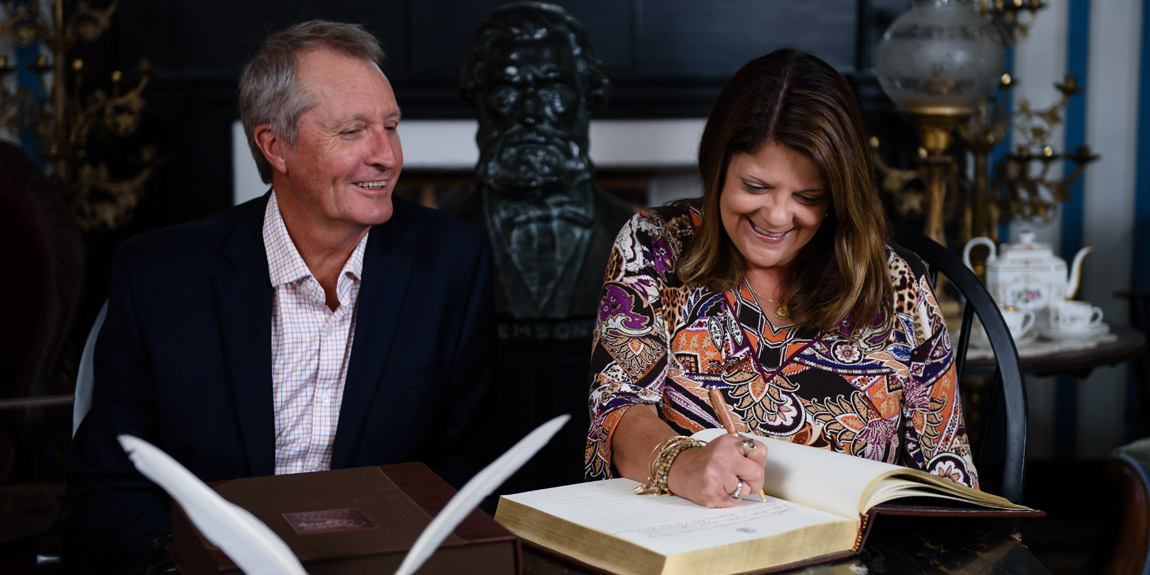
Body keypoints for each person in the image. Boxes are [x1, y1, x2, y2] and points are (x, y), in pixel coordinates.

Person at [65, 20, 498, 572]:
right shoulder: (159, 277)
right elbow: (106, 489)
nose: (386, 156)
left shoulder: (453, 263)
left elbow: (468, 466)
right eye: (352, 132)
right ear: (275, 146)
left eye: (391, 126)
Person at [585, 49, 979, 508]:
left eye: (807, 196)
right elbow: (618, 413)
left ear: (837, 194)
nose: (775, 217)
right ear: (717, 167)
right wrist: (681, 463)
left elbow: (947, 469)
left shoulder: (896, 283)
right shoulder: (654, 245)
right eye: (754, 187)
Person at [455, 1, 633, 321]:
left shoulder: (635, 237)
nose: (530, 114)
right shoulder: (445, 240)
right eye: (506, 93)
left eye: (553, 91)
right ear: (479, 99)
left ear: (586, 96)